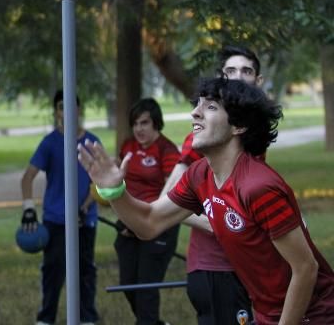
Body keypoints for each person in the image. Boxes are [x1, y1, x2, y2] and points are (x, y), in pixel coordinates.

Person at [80, 77, 334, 325]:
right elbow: (149, 223)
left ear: (238, 126)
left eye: (210, 107)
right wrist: (115, 191)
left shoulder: (258, 187)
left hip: (316, 314)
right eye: (197, 105)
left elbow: (305, 269)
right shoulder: (199, 174)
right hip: (269, 314)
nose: (195, 114)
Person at [160, 45, 259, 325]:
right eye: (230, 71)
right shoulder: (206, 137)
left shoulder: (250, 136)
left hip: (243, 266)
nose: (238, 76)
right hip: (214, 268)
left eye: (246, 71)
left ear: (258, 81)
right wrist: (222, 223)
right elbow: (165, 200)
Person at [20, 90, 100, 325]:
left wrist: (83, 208)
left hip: (85, 220)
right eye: (61, 106)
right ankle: (46, 319)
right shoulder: (50, 142)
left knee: (85, 270)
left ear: (79, 110)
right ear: (56, 112)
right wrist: (28, 209)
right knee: (53, 271)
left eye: (71, 106)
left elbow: (99, 182)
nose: (66, 111)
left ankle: (87, 318)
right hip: (55, 220)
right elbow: (27, 179)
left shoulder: (91, 142)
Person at [114, 97, 180, 325]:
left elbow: (171, 194)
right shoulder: (128, 147)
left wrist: (146, 221)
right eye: (135, 124)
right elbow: (120, 185)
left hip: (159, 225)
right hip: (128, 224)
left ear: (156, 123)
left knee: (146, 291)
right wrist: (127, 220)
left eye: (144, 123)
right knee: (128, 284)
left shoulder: (167, 150)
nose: (138, 129)